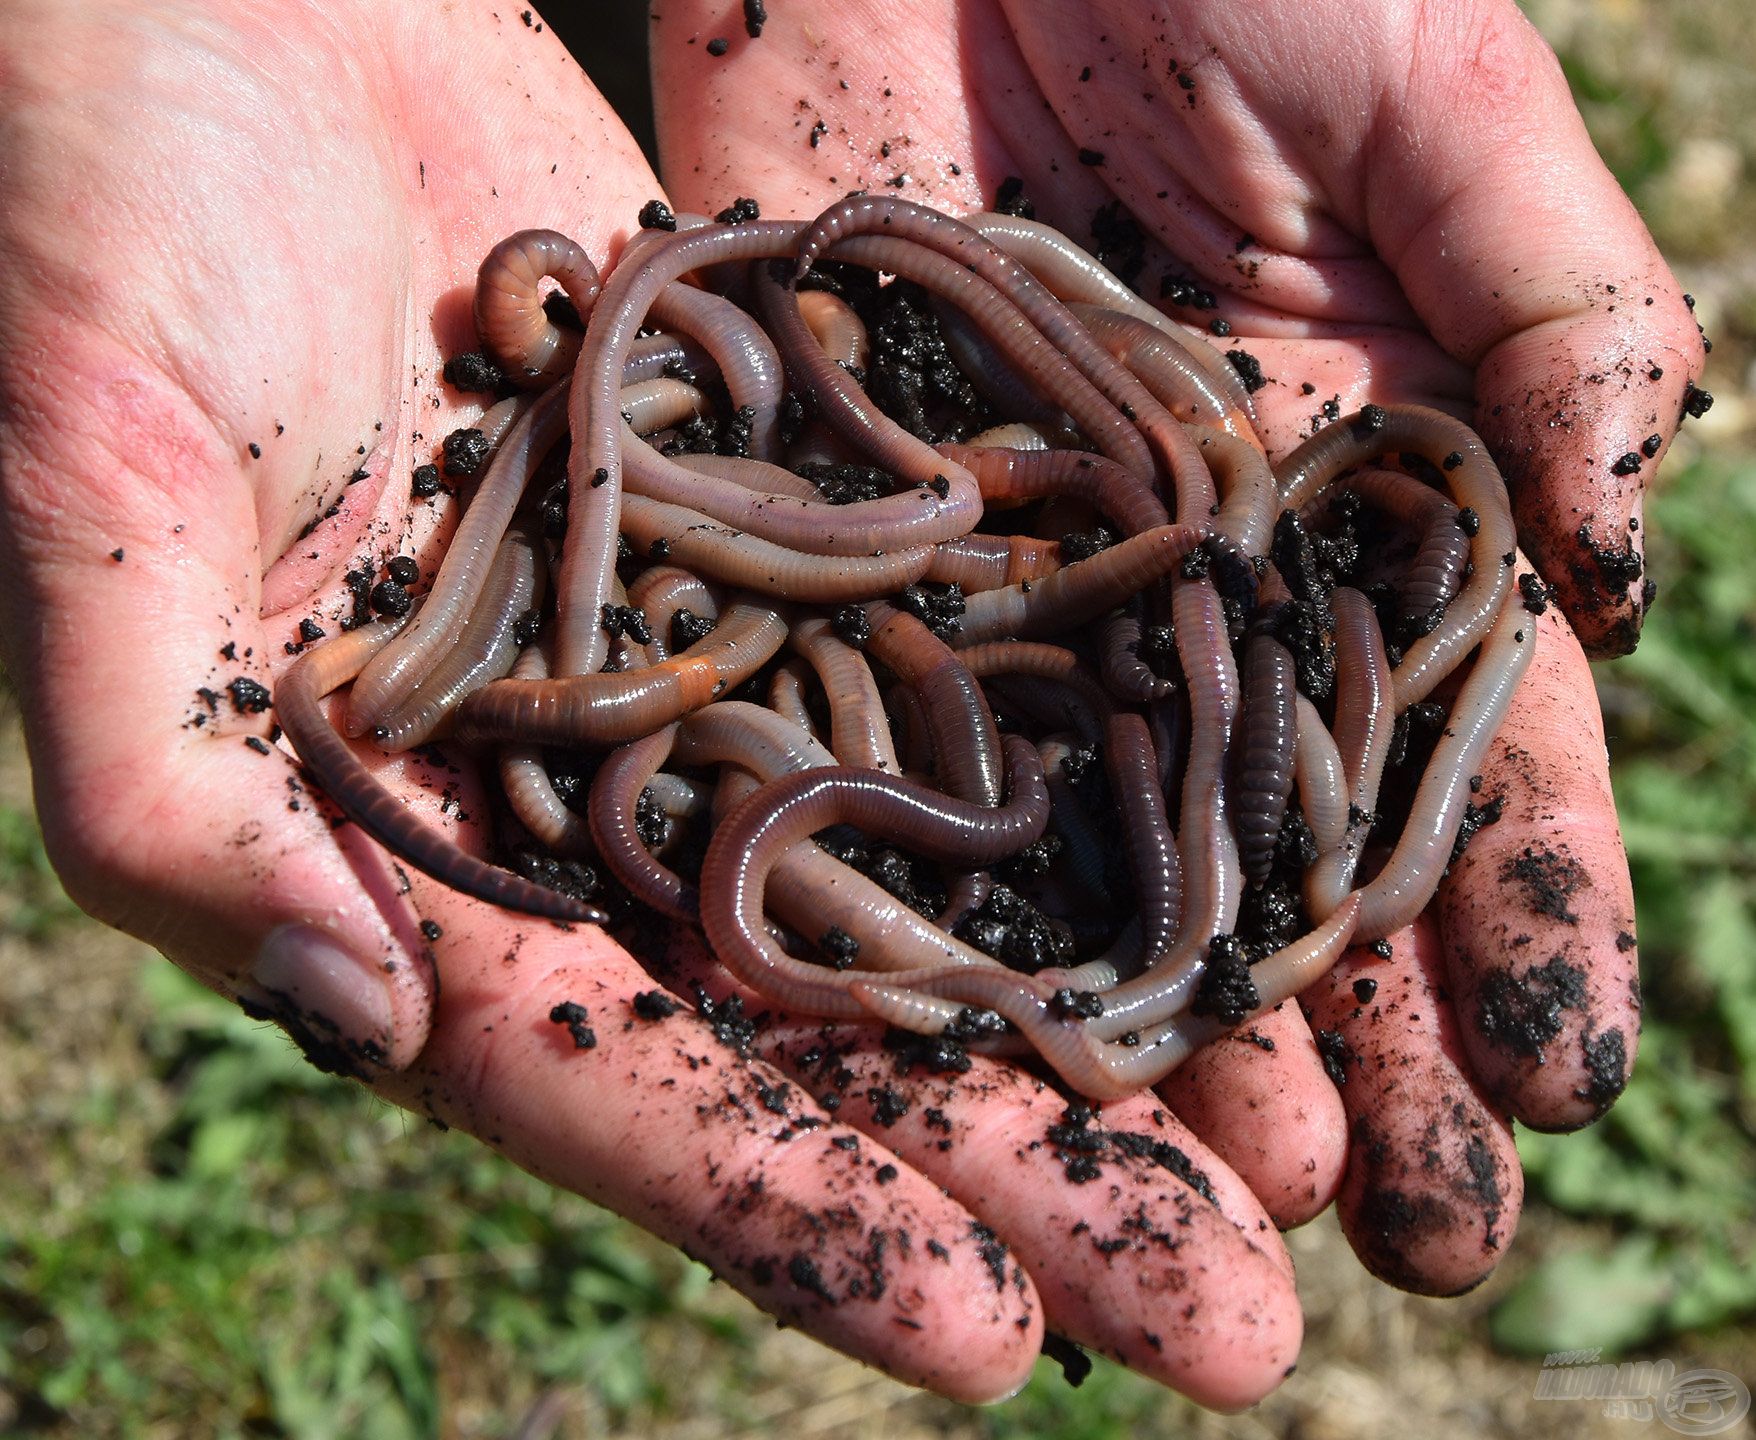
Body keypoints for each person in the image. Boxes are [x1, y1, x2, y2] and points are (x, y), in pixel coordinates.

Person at [0, 0, 1704, 1411]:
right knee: (916, 702)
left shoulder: (1132, 564)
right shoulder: (687, 486)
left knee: (1095, 769)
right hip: (738, 512)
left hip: (910, 602)